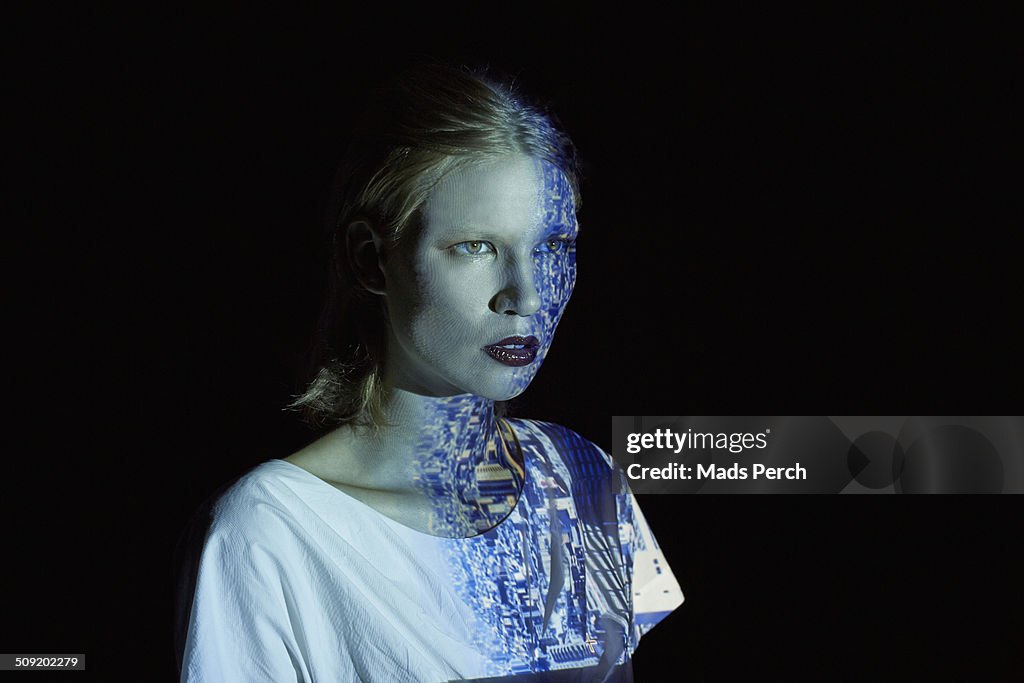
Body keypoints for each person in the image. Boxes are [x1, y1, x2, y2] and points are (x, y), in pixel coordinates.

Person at [176, 62, 683, 682]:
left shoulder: (584, 478)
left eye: (553, 247)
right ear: (372, 259)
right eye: (476, 247)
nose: (525, 293)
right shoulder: (272, 531)